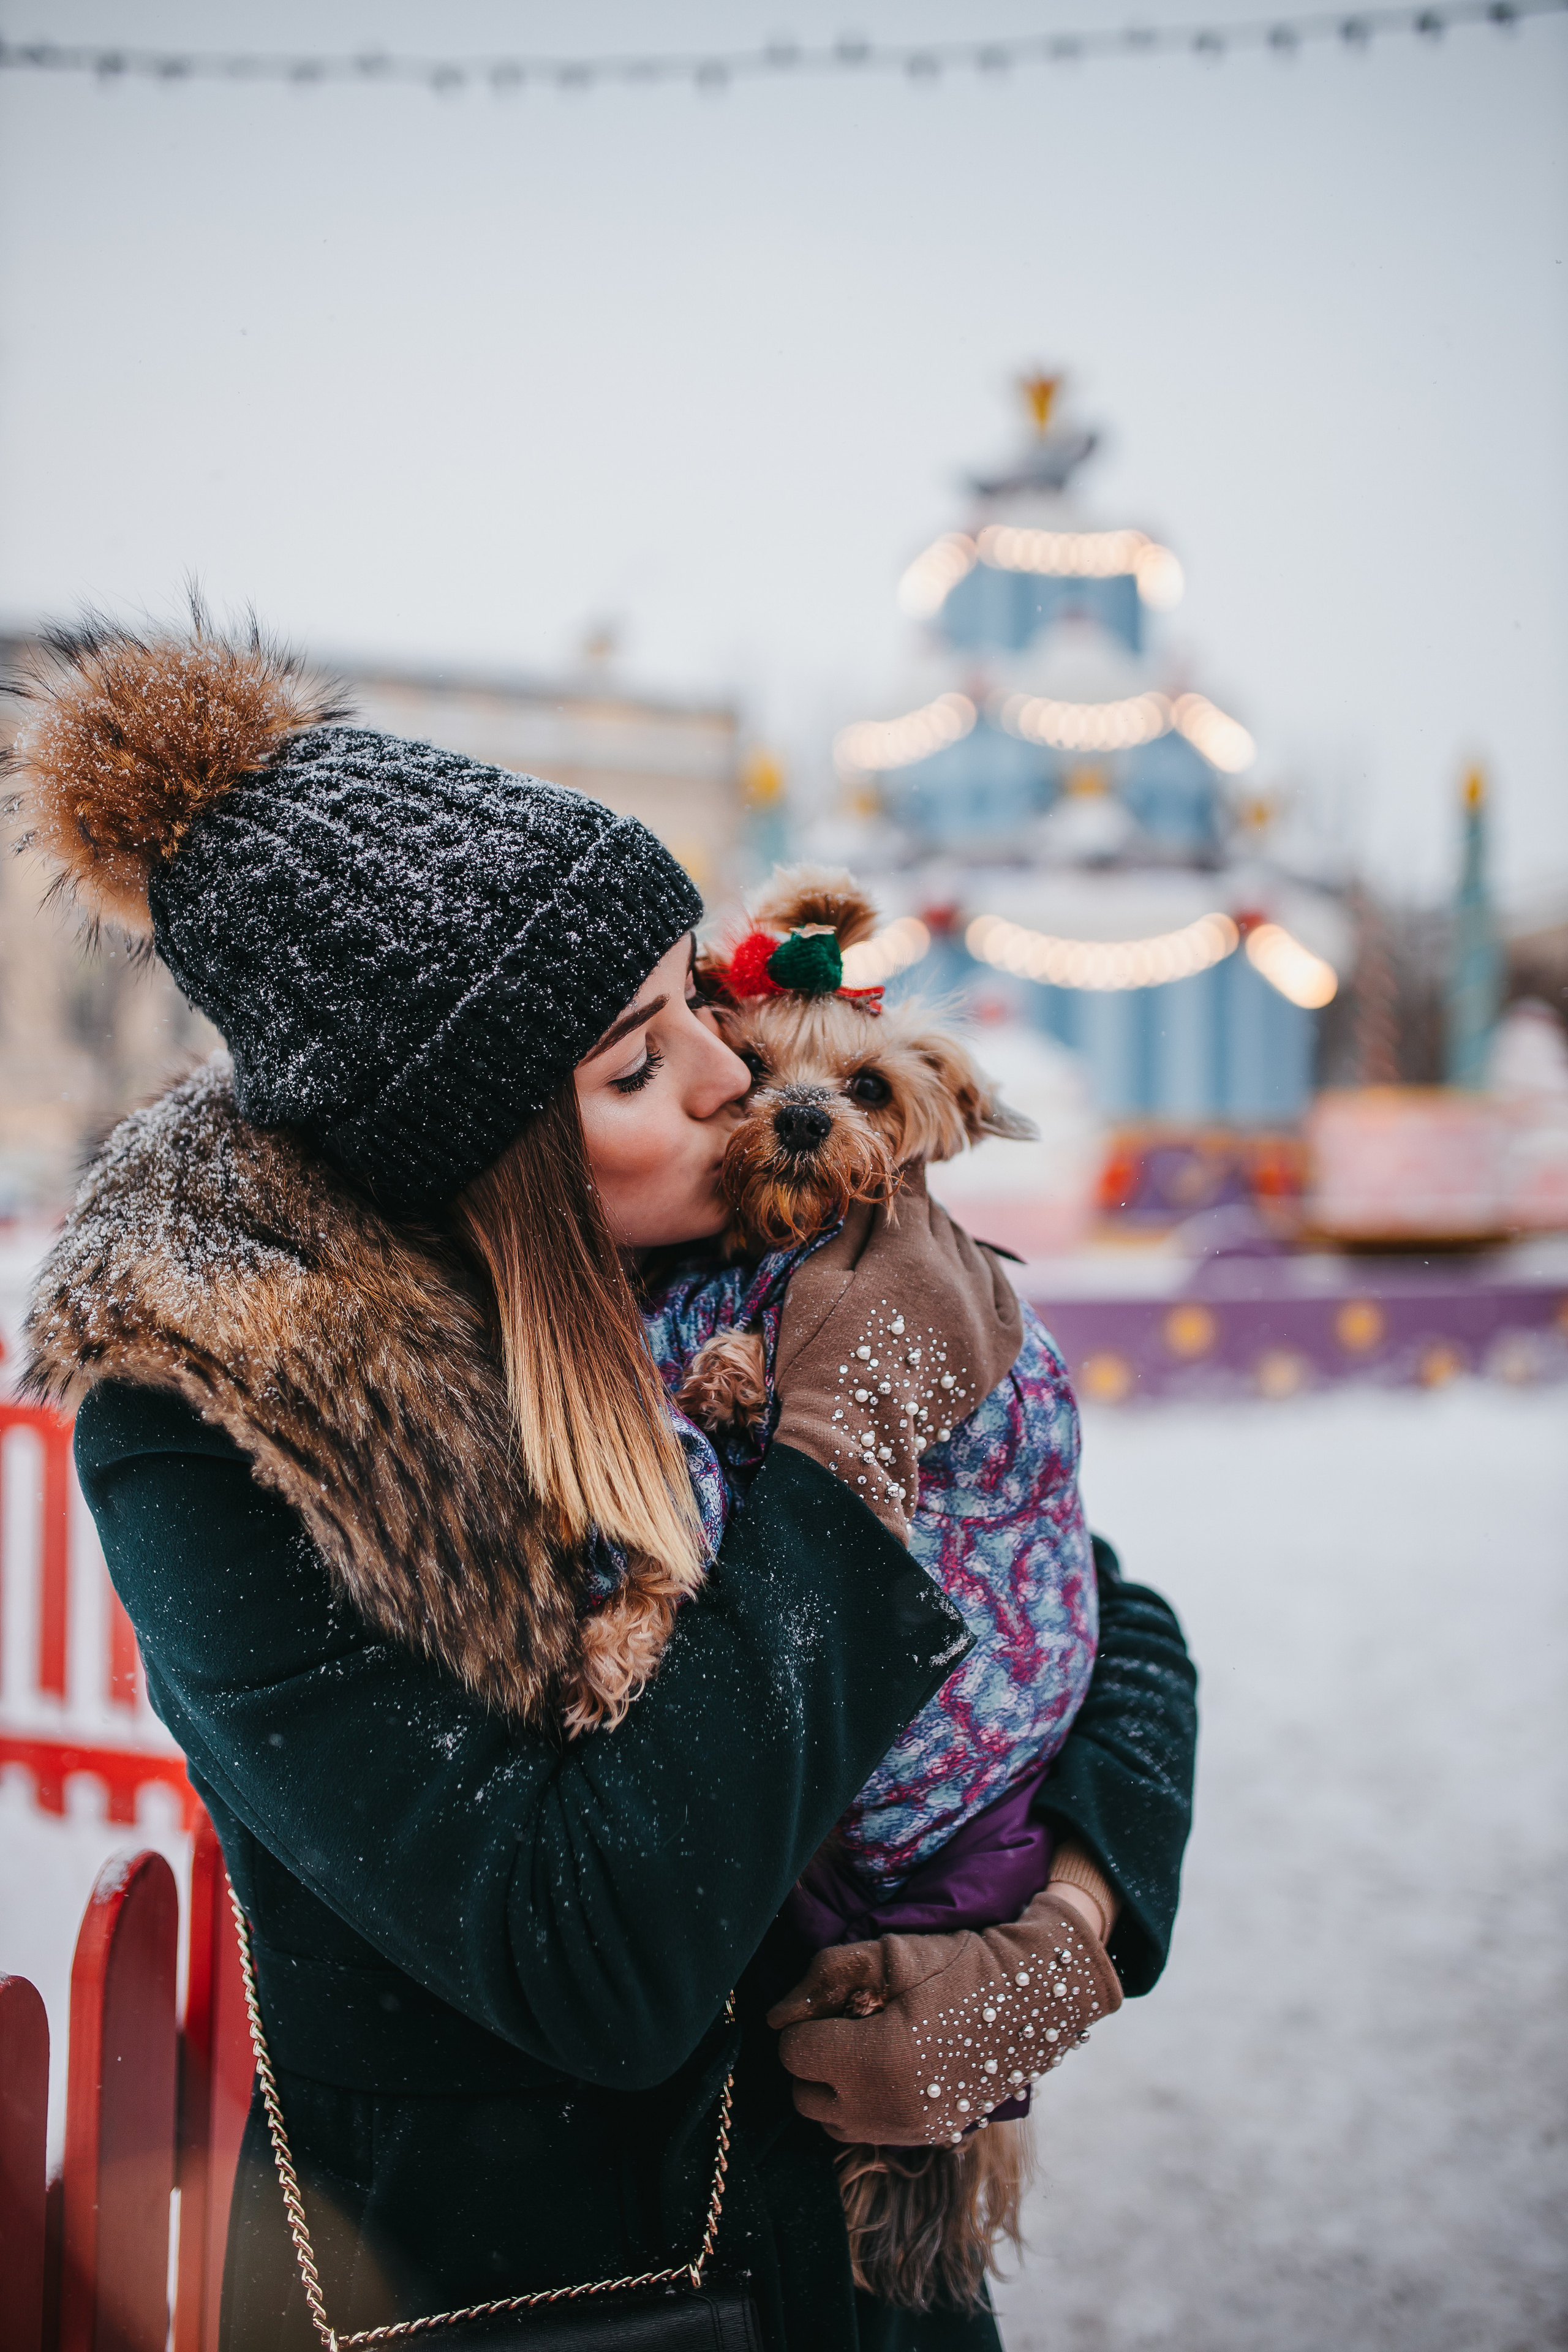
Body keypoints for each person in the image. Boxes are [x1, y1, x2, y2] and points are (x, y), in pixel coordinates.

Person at [15, 615, 1197, 2352]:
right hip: (572, 2301)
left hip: (871, 2291)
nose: (733, 1080)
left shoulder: (724, 1270)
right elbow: (595, 1961)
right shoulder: (225, 1434)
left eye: (698, 998)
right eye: (639, 1063)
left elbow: (1098, 1605)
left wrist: (1071, 1937)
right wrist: (846, 1449)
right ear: (486, 1159)